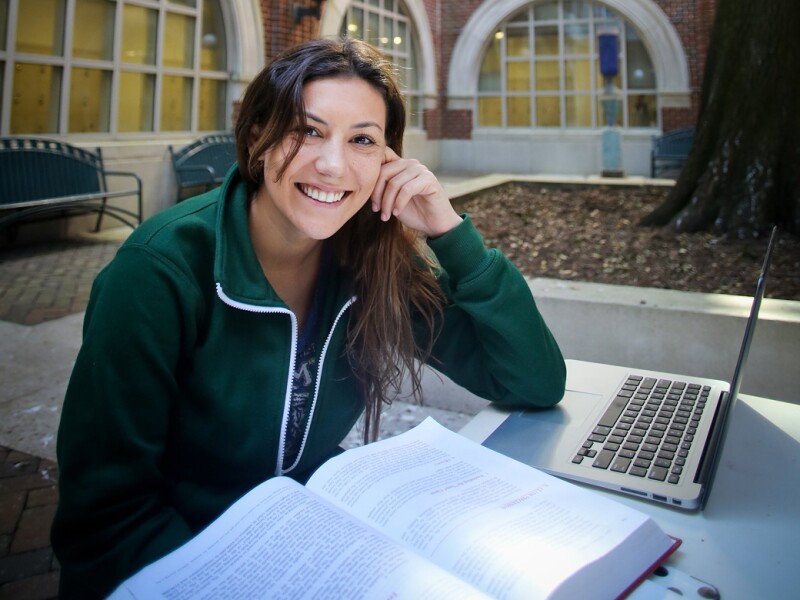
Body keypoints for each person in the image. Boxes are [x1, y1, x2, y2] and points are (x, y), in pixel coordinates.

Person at [51, 37, 566, 598]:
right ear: (257, 138)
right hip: (187, 566)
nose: (332, 164)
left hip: (313, 542)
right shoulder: (161, 270)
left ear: (387, 163)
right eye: (307, 130)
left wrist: (448, 233)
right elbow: (106, 520)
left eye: (362, 140)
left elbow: (534, 382)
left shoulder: (373, 258)